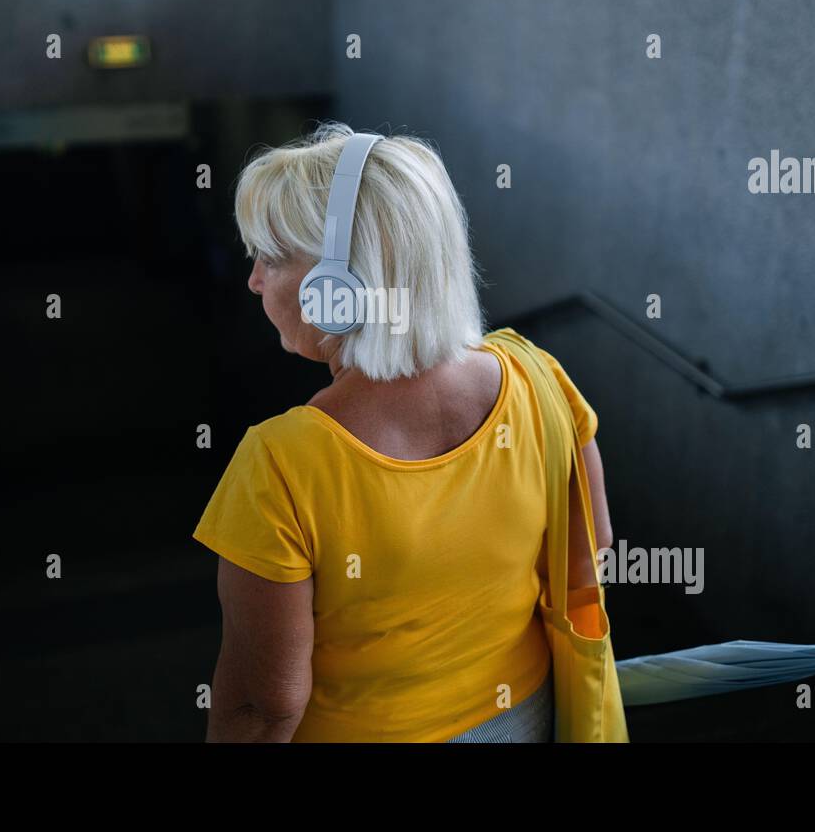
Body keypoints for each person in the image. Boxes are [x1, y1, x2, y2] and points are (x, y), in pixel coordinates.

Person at [192, 121, 613, 742]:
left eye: (273, 257)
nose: (254, 279)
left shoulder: (281, 463)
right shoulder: (538, 379)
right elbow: (590, 554)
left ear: (339, 287)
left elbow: (264, 707)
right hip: (527, 720)